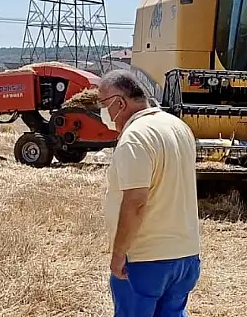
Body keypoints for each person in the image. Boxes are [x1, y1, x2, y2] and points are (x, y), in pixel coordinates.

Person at [98, 69, 201, 317]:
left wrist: (118, 254)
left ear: (119, 103)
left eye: (102, 104)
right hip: (185, 256)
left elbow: (135, 201)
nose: (103, 113)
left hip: (146, 259)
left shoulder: (135, 138)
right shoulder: (178, 127)